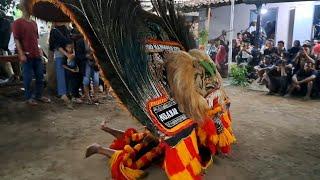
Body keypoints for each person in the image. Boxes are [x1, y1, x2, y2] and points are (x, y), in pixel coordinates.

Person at [12, 1, 50, 105]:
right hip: (27, 55)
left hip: (36, 55)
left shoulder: (34, 23)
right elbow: (17, 40)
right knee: (28, 78)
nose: (31, 8)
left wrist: (40, 50)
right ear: (24, 8)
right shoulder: (17, 23)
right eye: (29, 6)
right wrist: (21, 53)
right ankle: (28, 97)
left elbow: (36, 39)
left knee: (40, 77)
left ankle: (39, 95)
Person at [49, 22, 73, 105]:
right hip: (60, 54)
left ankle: (67, 92)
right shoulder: (54, 31)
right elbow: (56, 46)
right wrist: (67, 54)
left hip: (67, 55)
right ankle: (62, 93)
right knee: (61, 74)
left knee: (67, 73)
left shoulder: (66, 30)